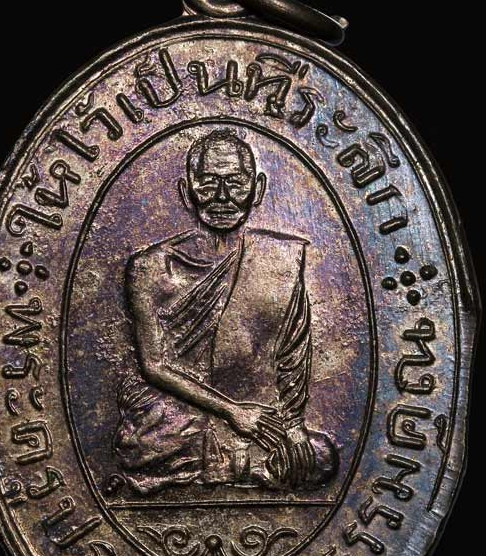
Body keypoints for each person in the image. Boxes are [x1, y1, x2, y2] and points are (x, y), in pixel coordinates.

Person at [112, 129, 338, 494]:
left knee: (318, 455)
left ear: (257, 190)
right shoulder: (149, 268)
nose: (221, 197)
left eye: (234, 183)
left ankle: (238, 461)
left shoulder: (280, 260)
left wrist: (293, 425)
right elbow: (154, 366)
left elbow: (293, 353)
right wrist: (232, 411)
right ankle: (234, 462)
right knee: (151, 444)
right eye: (208, 184)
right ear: (187, 192)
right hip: (175, 408)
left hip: (253, 402)